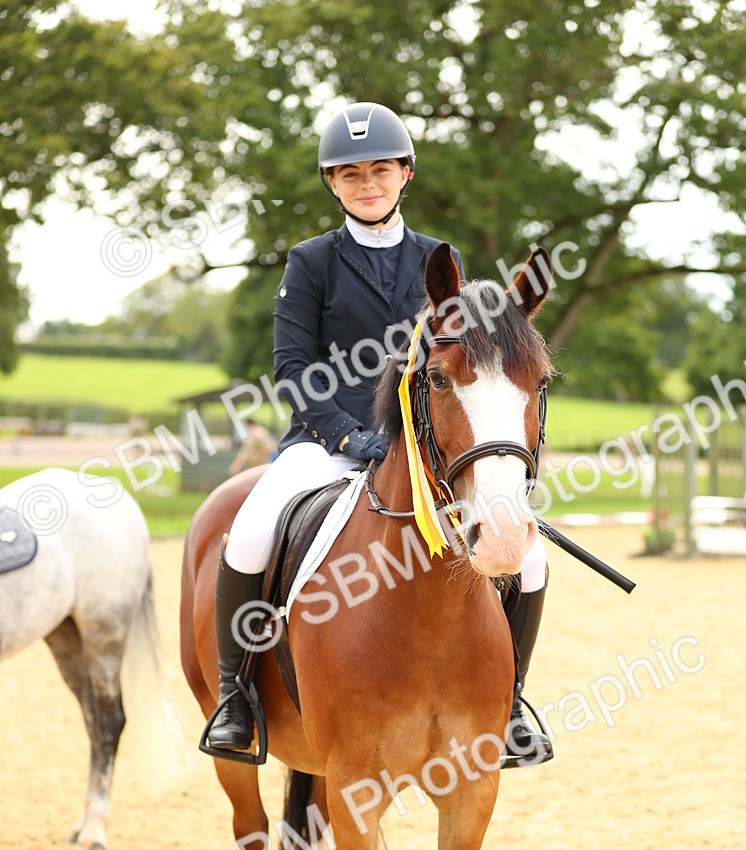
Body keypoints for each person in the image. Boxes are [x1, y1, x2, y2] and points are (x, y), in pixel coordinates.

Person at [205, 101, 553, 767]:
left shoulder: (439, 261)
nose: (367, 184)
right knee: (250, 531)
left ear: (405, 175)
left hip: (424, 452)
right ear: (332, 184)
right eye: (351, 174)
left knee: (529, 557)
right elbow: (293, 369)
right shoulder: (311, 262)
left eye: (380, 171)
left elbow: (465, 366)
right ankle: (235, 696)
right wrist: (346, 438)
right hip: (325, 445)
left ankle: (510, 703)